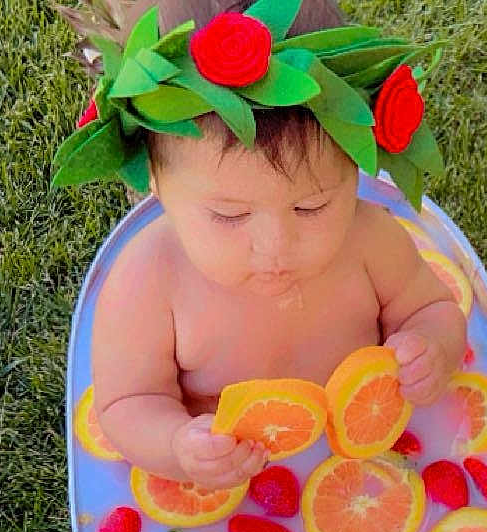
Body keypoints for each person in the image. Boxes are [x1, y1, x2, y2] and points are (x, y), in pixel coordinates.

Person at [55, 0, 465, 489]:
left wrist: (433, 348)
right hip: (229, 482)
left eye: (311, 207)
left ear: (356, 167)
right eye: (230, 215)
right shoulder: (148, 284)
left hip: (359, 454)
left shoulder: (371, 239)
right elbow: (128, 403)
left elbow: (432, 306)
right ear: (154, 181)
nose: (276, 246)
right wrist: (177, 448)